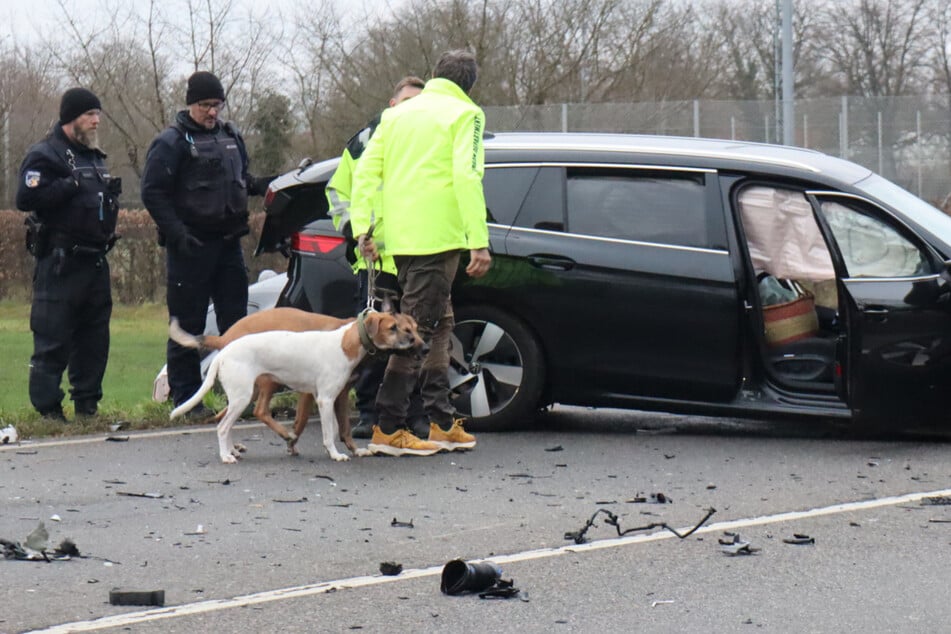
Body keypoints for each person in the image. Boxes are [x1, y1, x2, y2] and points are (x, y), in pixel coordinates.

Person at [350, 50, 492, 456]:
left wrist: (363, 228)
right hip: (438, 240)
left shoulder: (396, 115)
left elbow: (365, 173)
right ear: (469, 85)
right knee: (417, 336)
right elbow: (467, 175)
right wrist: (477, 240)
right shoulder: (467, 115)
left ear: (434, 75)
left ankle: (439, 420)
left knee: (440, 324)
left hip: (400, 241)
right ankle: (388, 427)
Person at [141, 71, 274, 413]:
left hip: (228, 244)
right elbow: (152, 192)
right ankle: (186, 398)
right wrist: (177, 234)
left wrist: (272, 185)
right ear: (191, 103)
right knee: (188, 324)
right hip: (190, 247)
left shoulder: (231, 137)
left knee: (237, 323)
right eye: (205, 105)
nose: (212, 112)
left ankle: (237, 396)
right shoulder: (170, 142)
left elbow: (243, 179)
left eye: (217, 105)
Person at [325, 75, 425, 440]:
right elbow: (338, 192)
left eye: (419, 102)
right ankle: (368, 412)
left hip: (418, 257)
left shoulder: (426, 142)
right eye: (406, 101)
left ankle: (414, 414)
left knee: (417, 339)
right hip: (375, 261)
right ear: (392, 102)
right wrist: (357, 233)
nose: (411, 108)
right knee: (370, 343)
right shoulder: (365, 142)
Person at [16, 87, 120, 421]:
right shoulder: (45, 155)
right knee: (52, 335)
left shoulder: (94, 156)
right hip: (61, 261)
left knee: (93, 338)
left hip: (94, 260)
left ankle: (87, 406)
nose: (95, 121)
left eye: (97, 115)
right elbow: (25, 199)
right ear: (70, 118)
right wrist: (68, 186)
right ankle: (48, 410)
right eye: (89, 115)